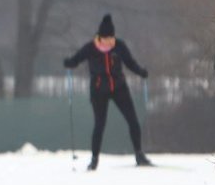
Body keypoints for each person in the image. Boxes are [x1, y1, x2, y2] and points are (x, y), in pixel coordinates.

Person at [63, 13, 151, 171]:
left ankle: (139, 154)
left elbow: (130, 63)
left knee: (133, 120)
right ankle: (94, 159)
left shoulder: (119, 46)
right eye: (107, 38)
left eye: (112, 38)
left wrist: (141, 72)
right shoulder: (91, 48)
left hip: (119, 88)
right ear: (100, 37)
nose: (110, 41)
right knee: (99, 124)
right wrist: (69, 63)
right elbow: (76, 59)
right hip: (98, 91)